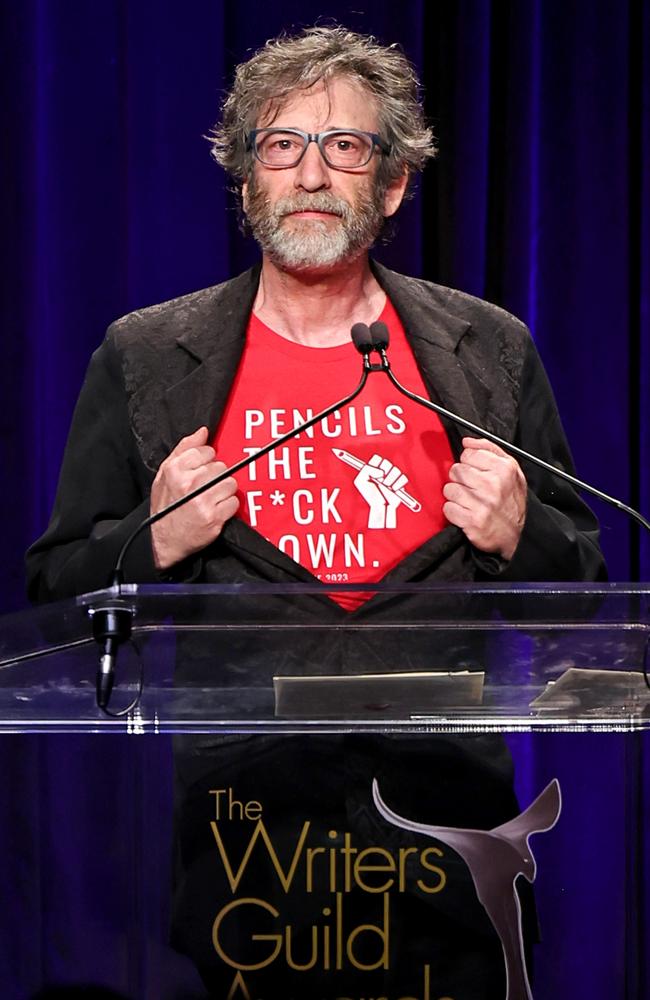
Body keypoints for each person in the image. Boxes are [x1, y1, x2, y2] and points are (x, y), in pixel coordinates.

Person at [26, 26, 606, 1000]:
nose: (308, 170)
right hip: (252, 854)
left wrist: (524, 535)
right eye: (280, 145)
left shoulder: (485, 351)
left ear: (390, 184)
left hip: (443, 850)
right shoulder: (148, 353)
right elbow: (51, 587)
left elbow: (587, 597)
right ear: (247, 182)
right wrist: (152, 538)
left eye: (344, 145)